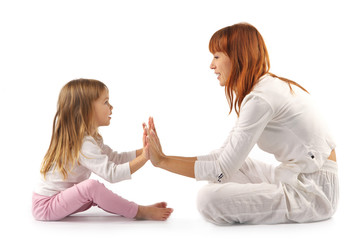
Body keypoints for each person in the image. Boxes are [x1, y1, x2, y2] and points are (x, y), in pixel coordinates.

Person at [147, 22, 339, 225]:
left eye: (217, 56)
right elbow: (222, 158)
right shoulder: (261, 90)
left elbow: (221, 170)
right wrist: (165, 157)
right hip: (295, 176)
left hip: (314, 193)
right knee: (240, 165)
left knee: (207, 199)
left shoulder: (261, 99)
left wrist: (162, 163)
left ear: (237, 57)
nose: (211, 65)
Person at [32, 79, 173, 221]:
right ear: (85, 110)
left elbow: (115, 159)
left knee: (93, 191)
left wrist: (145, 149)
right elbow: (112, 174)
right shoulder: (82, 144)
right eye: (106, 102)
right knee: (91, 187)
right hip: (46, 206)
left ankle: (138, 209)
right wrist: (144, 157)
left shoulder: (91, 139)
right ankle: (139, 211)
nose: (111, 107)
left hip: (62, 199)